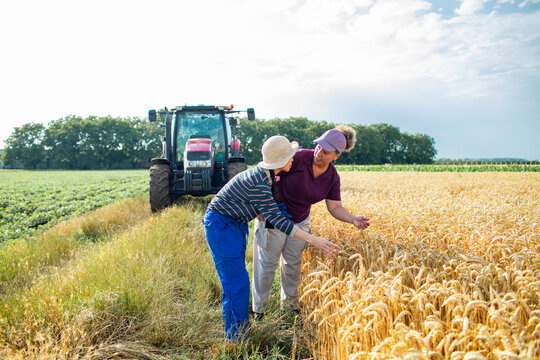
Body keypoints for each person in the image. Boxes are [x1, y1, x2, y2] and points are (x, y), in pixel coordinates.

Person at [203, 135, 339, 343]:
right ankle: (236, 339)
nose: (294, 159)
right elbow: (279, 222)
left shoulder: (266, 177)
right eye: (290, 156)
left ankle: (241, 329)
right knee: (236, 282)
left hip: (236, 223)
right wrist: (314, 240)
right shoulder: (260, 182)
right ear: (280, 162)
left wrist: (260, 207)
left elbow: (264, 206)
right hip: (222, 225)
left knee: (237, 277)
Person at [252, 125, 370, 319]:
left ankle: (289, 309)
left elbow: (334, 207)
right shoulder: (298, 158)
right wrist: (260, 206)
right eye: (319, 146)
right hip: (274, 218)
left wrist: (353, 219)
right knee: (267, 265)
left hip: (300, 221)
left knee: (292, 266)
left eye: (326, 151)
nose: (319, 152)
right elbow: (266, 173)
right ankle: (260, 311)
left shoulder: (332, 178)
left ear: (337, 156)